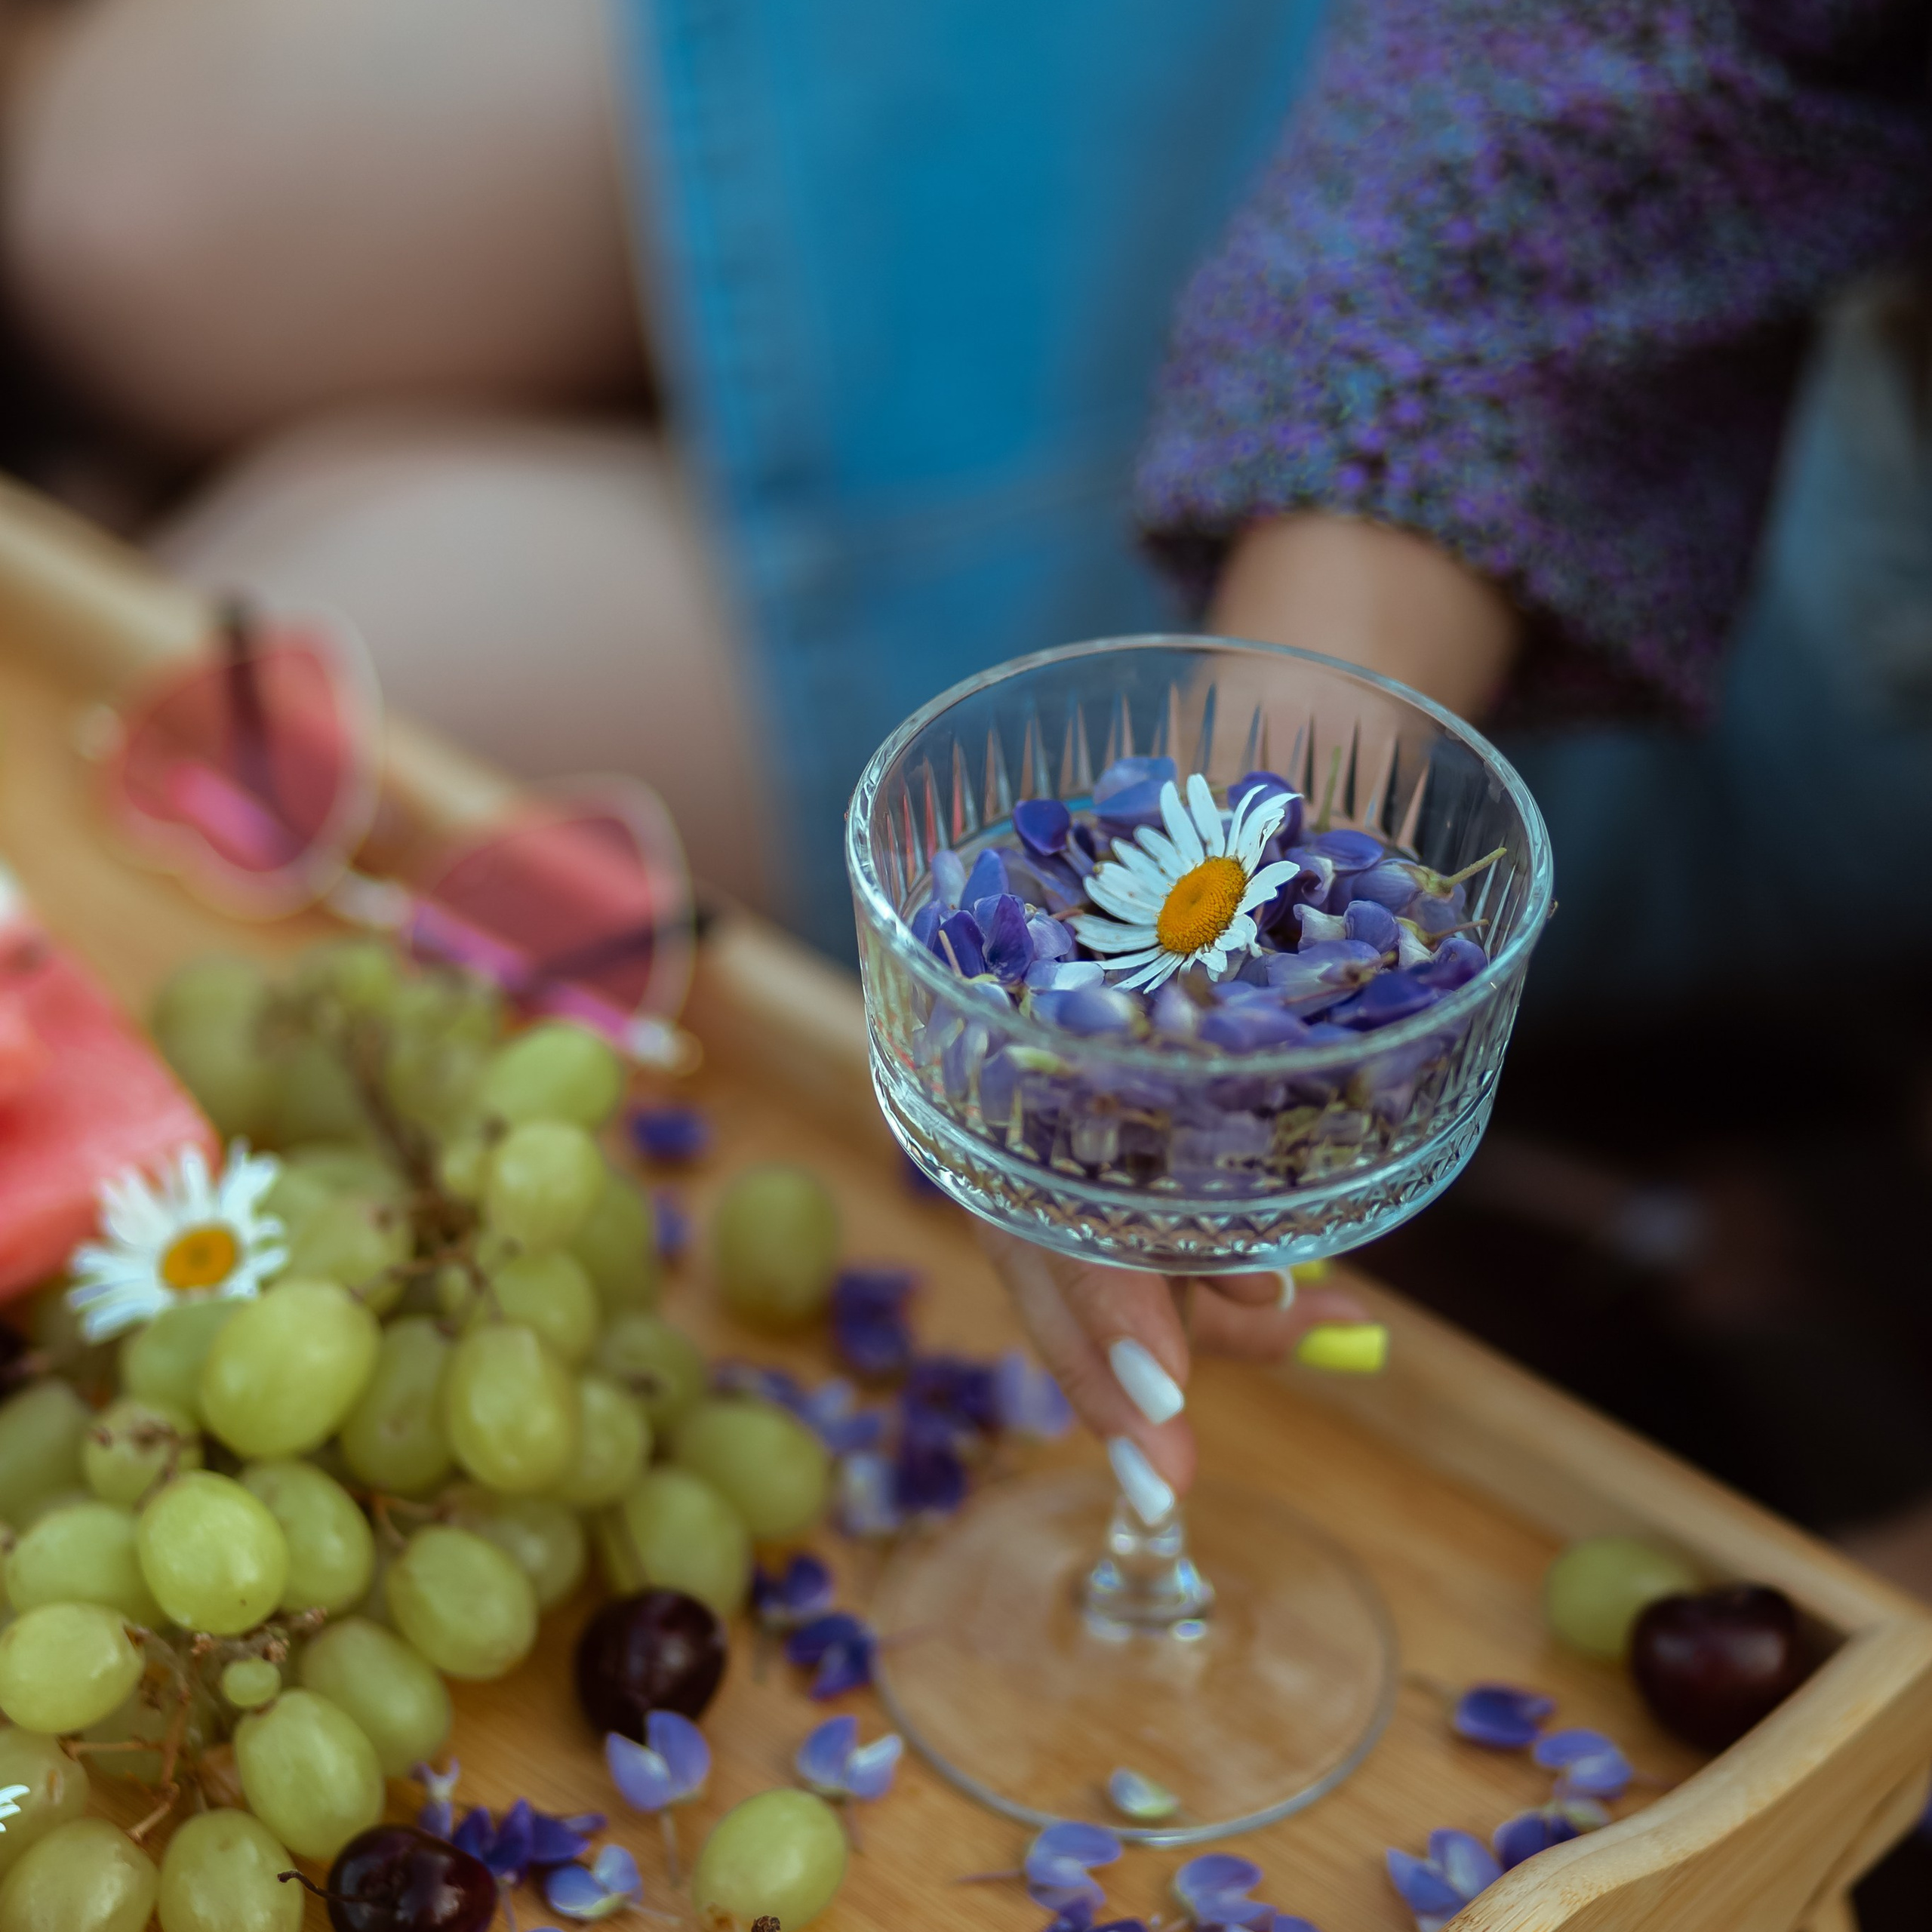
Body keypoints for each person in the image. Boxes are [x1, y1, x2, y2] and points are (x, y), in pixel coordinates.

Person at [5, 0, 1930, 1503]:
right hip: (1430, 134)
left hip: (1757, 662)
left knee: (310, 606)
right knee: (127, 207)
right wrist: (1254, 845)